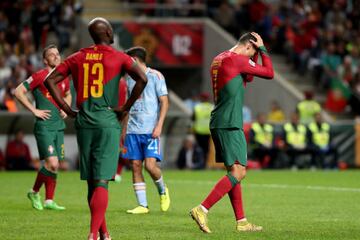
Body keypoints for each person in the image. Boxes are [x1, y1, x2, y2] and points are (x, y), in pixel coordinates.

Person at [44, 17, 147, 240]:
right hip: (106, 121)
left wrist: (68, 109)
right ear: (109, 33)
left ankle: (104, 233)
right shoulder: (120, 57)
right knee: (101, 180)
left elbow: (50, 81)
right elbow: (142, 78)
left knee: (92, 180)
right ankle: (92, 235)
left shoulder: (77, 57)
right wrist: (125, 108)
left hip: (83, 122)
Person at [190, 32, 274, 233]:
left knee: (233, 172)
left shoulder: (220, 58)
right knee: (239, 172)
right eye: (253, 51)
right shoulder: (236, 60)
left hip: (219, 120)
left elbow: (250, 77)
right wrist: (262, 49)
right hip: (229, 122)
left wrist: (253, 55)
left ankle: (242, 221)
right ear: (249, 46)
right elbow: (269, 73)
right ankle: (202, 209)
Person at [14, 45, 71, 211]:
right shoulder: (40, 76)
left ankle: (49, 201)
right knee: (51, 162)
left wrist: (66, 108)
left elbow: (68, 94)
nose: (55, 56)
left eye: (57, 54)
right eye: (51, 55)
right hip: (44, 126)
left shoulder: (64, 77)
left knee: (55, 165)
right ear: (45, 60)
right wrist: (34, 110)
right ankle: (33, 191)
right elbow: (18, 91)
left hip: (58, 126)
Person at [121, 46, 170, 214]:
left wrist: (159, 125)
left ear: (134, 59)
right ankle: (143, 205)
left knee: (150, 166)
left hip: (150, 129)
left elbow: (164, 102)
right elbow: (128, 106)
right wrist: (123, 130)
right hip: (133, 130)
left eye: (128, 61)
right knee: (135, 165)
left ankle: (163, 190)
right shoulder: (128, 79)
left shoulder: (156, 76)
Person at [192, 92, 214, 160]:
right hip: (209, 131)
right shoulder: (212, 107)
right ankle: (206, 162)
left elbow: (193, 118)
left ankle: (200, 162)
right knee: (208, 149)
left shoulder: (197, 107)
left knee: (199, 148)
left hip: (199, 131)